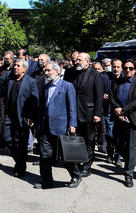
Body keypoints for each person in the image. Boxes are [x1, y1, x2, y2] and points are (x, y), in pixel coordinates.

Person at [34, 61, 81, 189]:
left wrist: (72, 125)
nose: (46, 73)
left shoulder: (67, 86)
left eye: (49, 70)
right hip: (45, 126)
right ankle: (47, 181)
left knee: (65, 155)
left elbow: (72, 107)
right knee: (45, 155)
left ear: (57, 71)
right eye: (45, 71)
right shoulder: (45, 87)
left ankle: (76, 175)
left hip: (60, 126)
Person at [0, 59, 38, 178]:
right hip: (10, 115)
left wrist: (31, 116)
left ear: (25, 69)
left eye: (18, 66)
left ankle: (21, 168)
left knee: (23, 143)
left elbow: (35, 101)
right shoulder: (9, 77)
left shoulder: (31, 82)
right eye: (15, 66)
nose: (15, 67)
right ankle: (19, 161)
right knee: (6, 138)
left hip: (23, 116)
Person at [109, 59, 136, 187]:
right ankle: (130, 159)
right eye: (125, 68)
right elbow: (111, 96)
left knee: (132, 147)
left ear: (135, 70)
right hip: (119, 119)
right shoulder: (117, 82)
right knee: (118, 143)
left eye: (130, 68)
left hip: (133, 119)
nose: (127, 70)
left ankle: (128, 174)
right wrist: (118, 110)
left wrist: (123, 110)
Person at [71, 52, 104, 177]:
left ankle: (87, 166)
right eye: (76, 60)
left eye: (80, 60)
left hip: (89, 113)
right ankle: (78, 163)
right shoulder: (73, 73)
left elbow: (99, 96)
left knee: (89, 141)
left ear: (87, 62)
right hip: (75, 112)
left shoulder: (95, 74)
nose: (77, 62)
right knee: (77, 140)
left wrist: (97, 114)